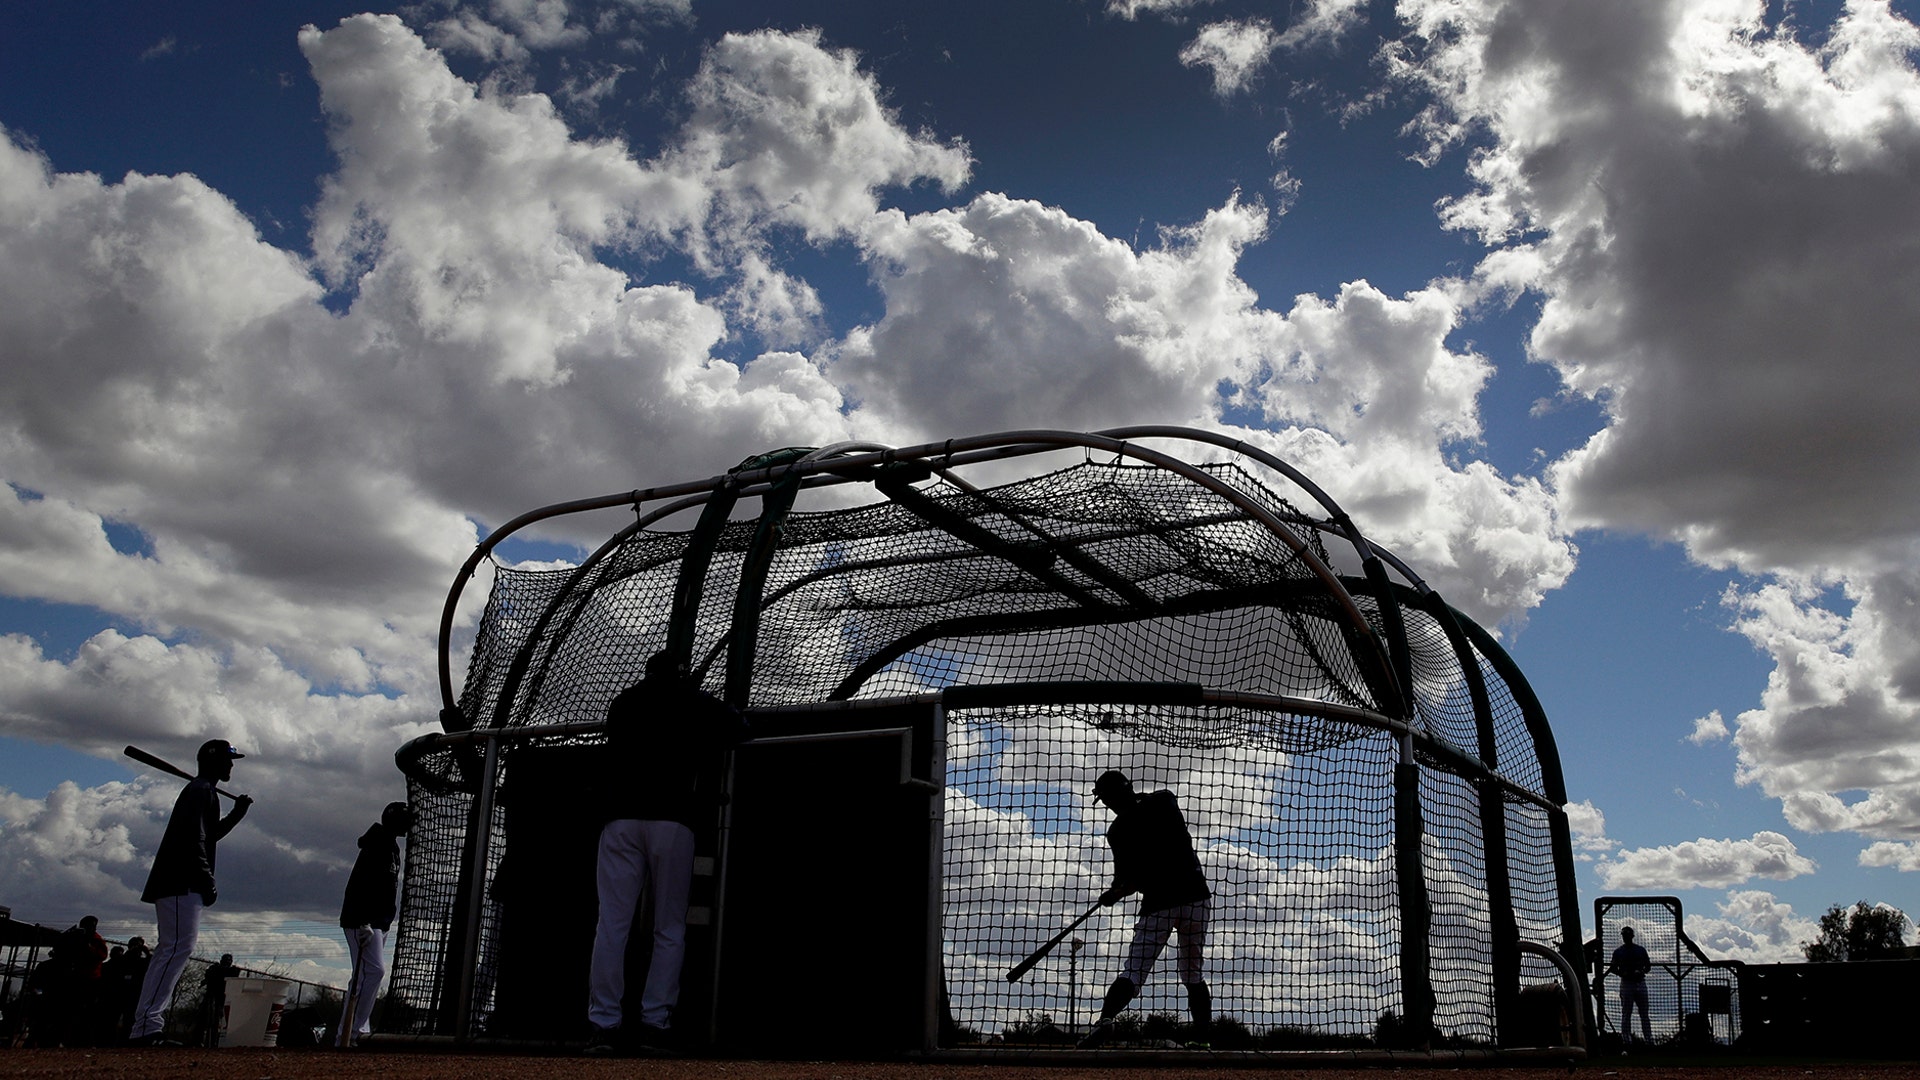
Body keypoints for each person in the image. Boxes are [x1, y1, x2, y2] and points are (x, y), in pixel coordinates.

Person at [585, 652, 747, 1056]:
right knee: (669, 928)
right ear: (681, 675)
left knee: (612, 925)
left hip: (620, 818)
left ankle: (604, 1025)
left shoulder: (625, 701)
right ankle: (654, 1025)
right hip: (673, 820)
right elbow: (739, 729)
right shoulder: (692, 699)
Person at [128, 738, 253, 1047]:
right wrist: (206, 879)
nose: (231, 765)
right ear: (213, 762)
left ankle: (146, 1025)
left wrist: (237, 814)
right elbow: (194, 839)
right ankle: (146, 1026)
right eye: (227, 760)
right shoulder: (200, 791)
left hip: (180, 881)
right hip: (181, 881)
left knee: (174, 948)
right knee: (174, 948)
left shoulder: (204, 791)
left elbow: (210, 835)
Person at [1077, 770, 1213, 1050]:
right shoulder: (1164, 801)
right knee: (1192, 973)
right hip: (1195, 897)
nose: (1108, 804)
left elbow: (1128, 883)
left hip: (1159, 903)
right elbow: (1157, 807)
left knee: (1134, 971)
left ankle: (1105, 1020)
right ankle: (1203, 1040)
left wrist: (1113, 895)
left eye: (1107, 799)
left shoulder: (1118, 831)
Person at [337, 801, 415, 1048]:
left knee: (367, 974)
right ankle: (350, 1034)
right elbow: (360, 884)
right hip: (362, 920)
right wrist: (363, 921)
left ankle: (356, 1032)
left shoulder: (392, 846)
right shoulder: (377, 843)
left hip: (380, 922)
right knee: (372, 972)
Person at [51, 915, 108, 1045]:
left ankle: (82, 1039)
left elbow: (101, 956)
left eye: (93, 926)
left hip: (90, 978)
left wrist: (88, 946)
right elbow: (61, 950)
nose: (92, 928)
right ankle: (64, 1037)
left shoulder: (96, 939)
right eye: (89, 925)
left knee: (86, 1010)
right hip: (73, 976)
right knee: (69, 1008)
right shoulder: (73, 936)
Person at [1608, 926, 1653, 1049]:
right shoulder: (1620, 952)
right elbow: (1613, 968)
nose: (1626, 938)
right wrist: (1623, 973)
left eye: (1627, 935)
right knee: (1627, 1013)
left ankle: (1648, 1040)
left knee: (1642, 1013)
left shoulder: (1639, 950)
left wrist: (1640, 971)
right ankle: (1627, 1040)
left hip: (1639, 982)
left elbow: (1648, 966)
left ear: (1631, 936)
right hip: (1627, 983)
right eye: (1624, 936)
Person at [202, 954, 240, 1046]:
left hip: (223, 998)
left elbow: (234, 979)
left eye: (229, 961)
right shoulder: (215, 968)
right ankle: (205, 1040)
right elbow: (208, 977)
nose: (227, 963)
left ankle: (216, 1041)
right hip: (212, 996)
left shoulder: (232, 971)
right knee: (207, 1018)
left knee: (219, 1020)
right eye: (225, 960)